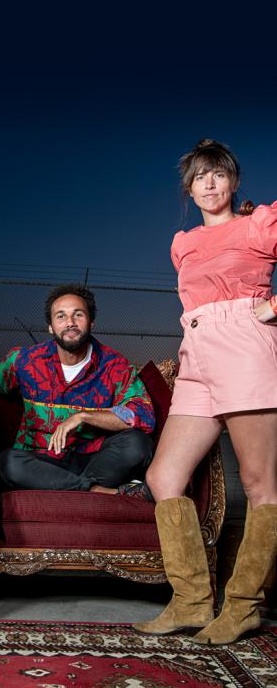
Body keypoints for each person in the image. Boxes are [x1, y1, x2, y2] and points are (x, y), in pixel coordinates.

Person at [133, 139, 277, 645]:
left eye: (218, 174)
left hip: (245, 347)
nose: (209, 184)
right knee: (164, 475)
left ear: (234, 181)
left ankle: (244, 607)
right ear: (189, 189)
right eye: (199, 177)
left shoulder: (261, 223)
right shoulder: (183, 242)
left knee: (261, 485)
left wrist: (273, 306)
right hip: (197, 351)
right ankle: (192, 601)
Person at [0, 284, 155, 496]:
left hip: (94, 459)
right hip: (42, 461)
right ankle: (98, 491)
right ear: (50, 326)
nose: (69, 323)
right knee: (7, 462)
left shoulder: (115, 365)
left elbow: (141, 415)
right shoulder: (24, 361)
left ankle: (72, 486)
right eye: (60, 316)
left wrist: (83, 417)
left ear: (91, 322)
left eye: (78, 315)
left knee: (138, 443)